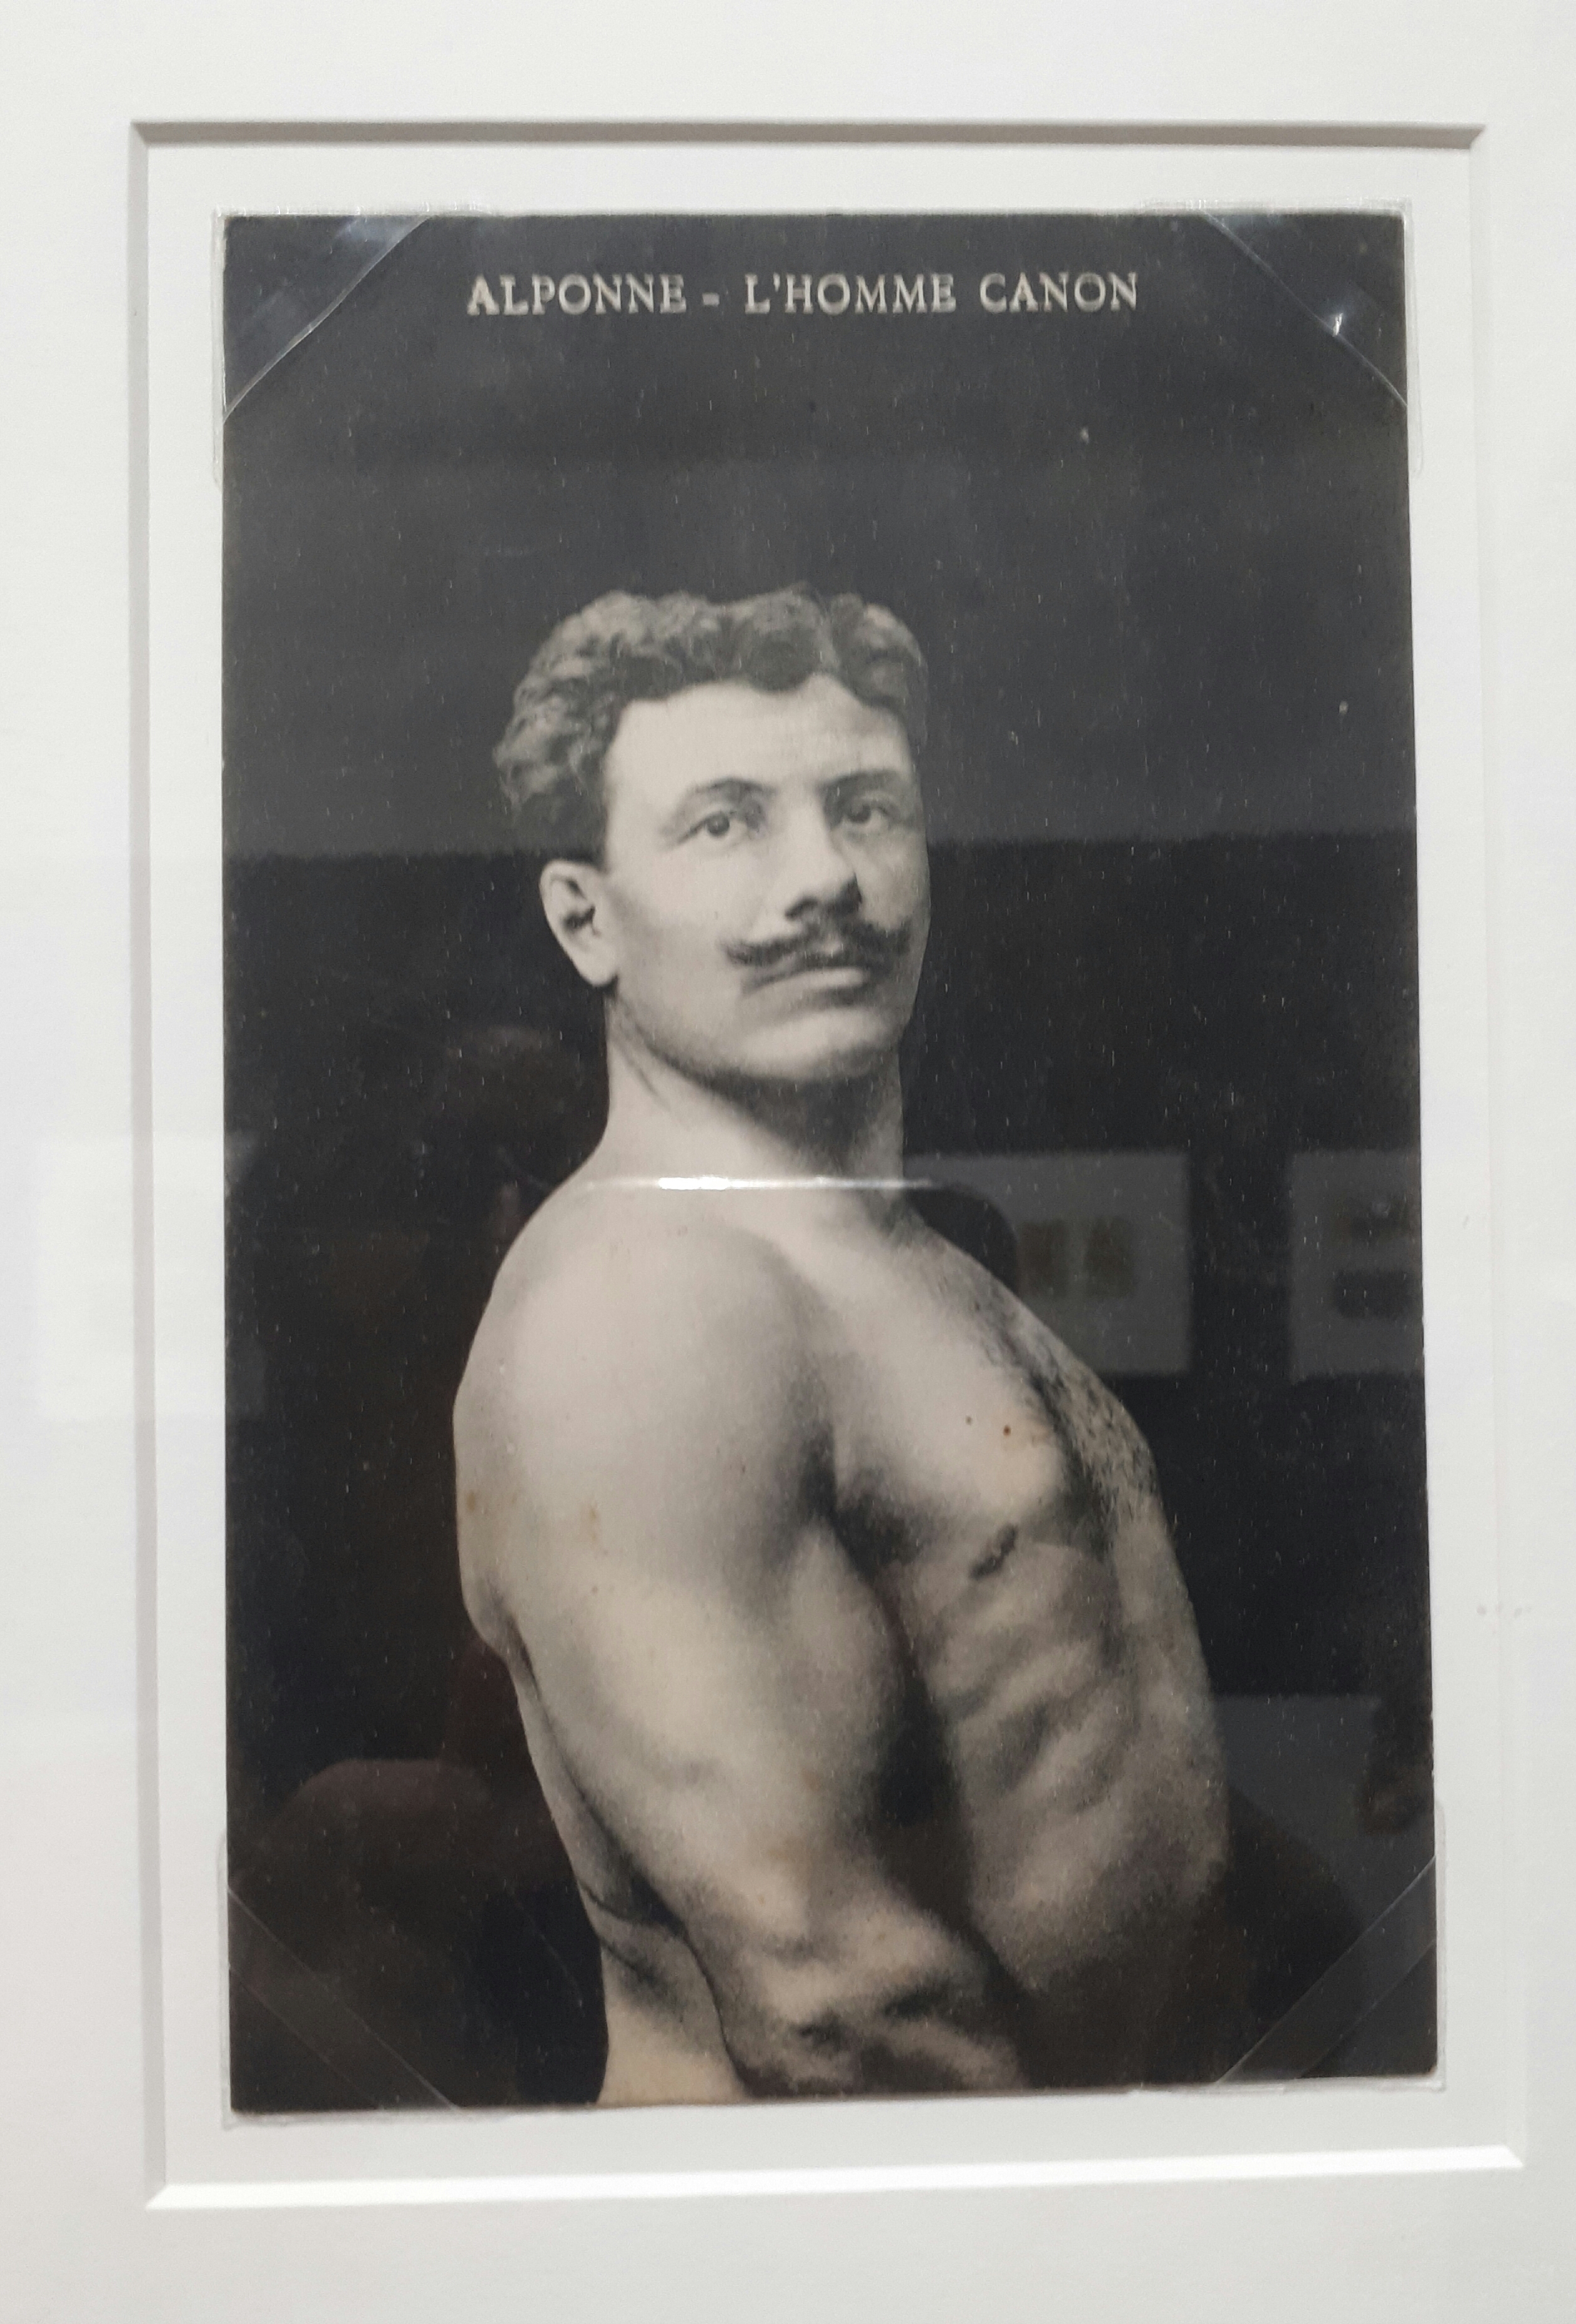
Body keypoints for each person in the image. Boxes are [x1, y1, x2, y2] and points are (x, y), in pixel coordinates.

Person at [454, 586, 1230, 2105]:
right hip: (886, 2215)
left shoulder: (916, 1266)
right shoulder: (643, 1312)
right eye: (726, 823)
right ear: (585, 918)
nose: (825, 880)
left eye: (865, 808)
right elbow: (828, 1995)